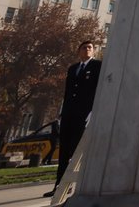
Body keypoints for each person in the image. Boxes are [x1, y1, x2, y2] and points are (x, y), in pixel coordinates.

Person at [47, 40, 102, 197]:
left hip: (85, 114)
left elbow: (99, 89)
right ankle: (59, 185)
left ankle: (74, 185)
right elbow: (68, 92)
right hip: (69, 114)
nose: (87, 50)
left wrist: (93, 111)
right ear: (79, 51)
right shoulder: (73, 69)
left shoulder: (98, 66)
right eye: (84, 48)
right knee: (64, 150)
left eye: (90, 48)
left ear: (94, 51)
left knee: (76, 150)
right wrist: (62, 112)